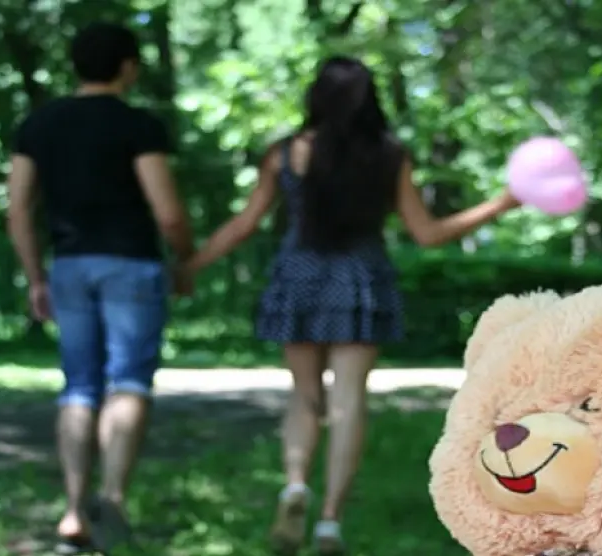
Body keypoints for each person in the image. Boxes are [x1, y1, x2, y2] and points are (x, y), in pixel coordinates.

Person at [185, 55, 519, 554]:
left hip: (298, 275)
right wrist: (500, 203)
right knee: (348, 401)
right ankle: (329, 522)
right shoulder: (389, 155)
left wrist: (191, 264)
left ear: (316, 97)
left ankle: (295, 485)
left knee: (304, 395)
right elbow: (427, 233)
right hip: (361, 279)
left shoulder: (286, 152)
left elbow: (245, 223)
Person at [5, 21, 194, 554]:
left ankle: (73, 511)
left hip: (69, 266)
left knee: (78, 386)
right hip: (132, 265)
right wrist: (184, 258)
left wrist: (35, 277)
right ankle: (111, 497)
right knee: (129, 380)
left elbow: (17, 209)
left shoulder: (38, 125)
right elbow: (168, 211)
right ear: (128, 66)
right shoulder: (138, 126)